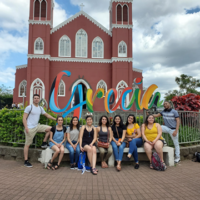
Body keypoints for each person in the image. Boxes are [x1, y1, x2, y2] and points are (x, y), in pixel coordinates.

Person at [23, 94, 56, 167]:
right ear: (33, 99)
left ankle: (44, 142)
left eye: (38, 98)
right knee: (27, 145)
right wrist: (26, 127)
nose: (36, 99)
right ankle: (26, 161)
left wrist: (55, 119)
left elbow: (47, 115)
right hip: (30, 128)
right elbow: (24, 118)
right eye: (35, 98)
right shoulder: (29, 107)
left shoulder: (40, 108)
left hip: (37, 126)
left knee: (51, 129)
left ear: (39, 99)